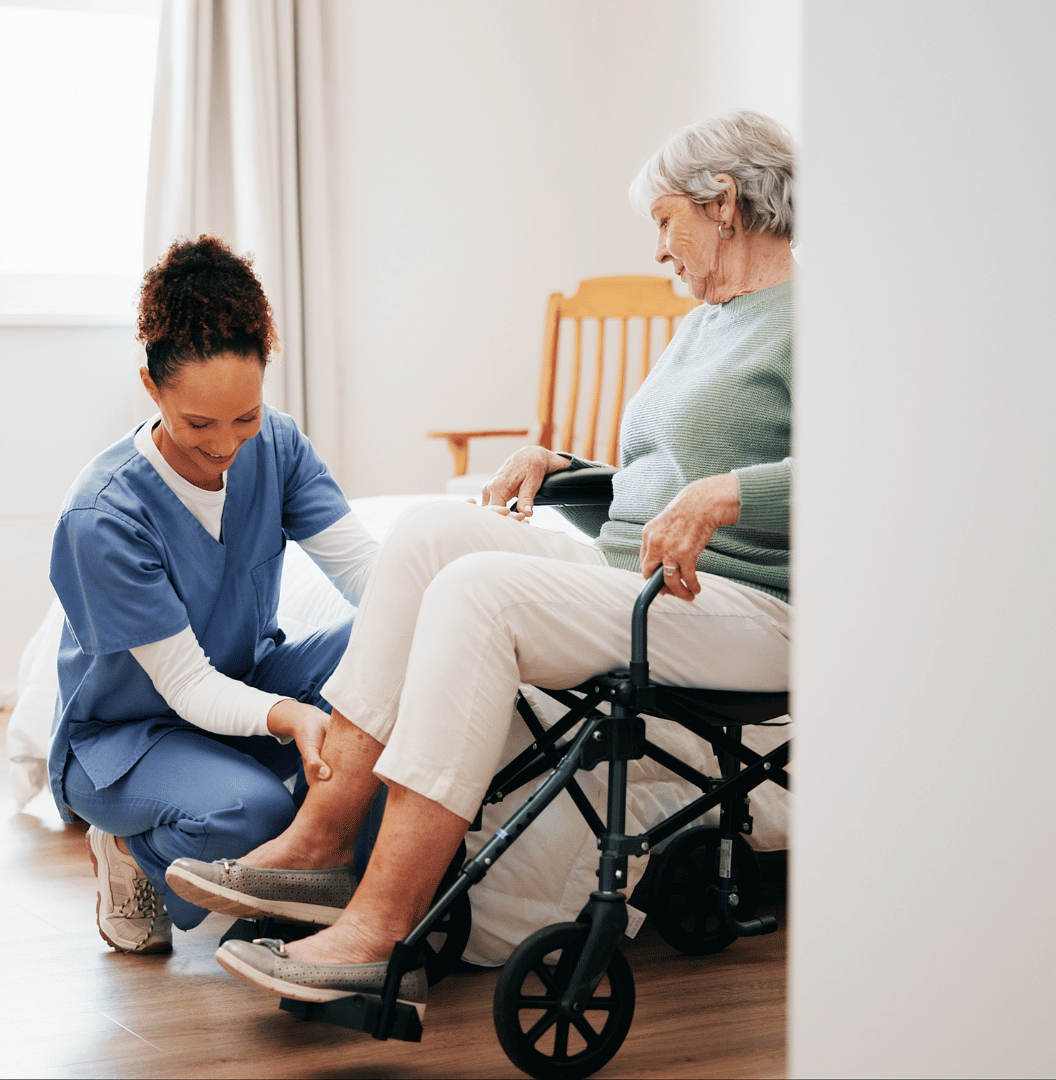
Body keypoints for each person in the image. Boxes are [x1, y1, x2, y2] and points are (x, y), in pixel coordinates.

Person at [163, 110, 797, 1011]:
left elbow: (864, 475)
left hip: (749, 607)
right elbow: (671, 479)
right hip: (643, 584)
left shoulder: (816, 322)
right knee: (430, 534)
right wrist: (570, 469)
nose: (659, 249)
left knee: (480, 592)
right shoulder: (701, 327)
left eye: (664, 222)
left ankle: (378, 925)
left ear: (722, 203)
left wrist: (730, 494)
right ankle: (322, 837)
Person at [48, 236, 380, 954]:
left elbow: (365, 572)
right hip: (131, 735)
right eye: (199, 423)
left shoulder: (280, 447)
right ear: (151, 387)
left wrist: (451, 608)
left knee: (392, 637)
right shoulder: (102, 517)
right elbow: (188, 684)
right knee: (253, 815)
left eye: (246, 417)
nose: (227, 445)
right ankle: (130, 849)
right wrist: (290, 715)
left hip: (247, 685)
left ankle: (363, 895)